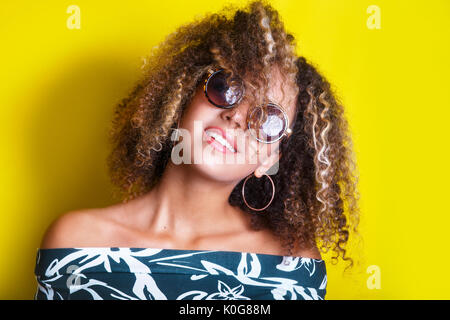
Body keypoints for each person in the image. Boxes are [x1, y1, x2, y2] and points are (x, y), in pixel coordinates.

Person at [34, 0, 360, 300]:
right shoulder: (76, 241)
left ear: (270, 158)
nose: (236, 117)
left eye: (268, 120)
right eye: (225, 87)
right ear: (183, 98)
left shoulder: (293, 267)